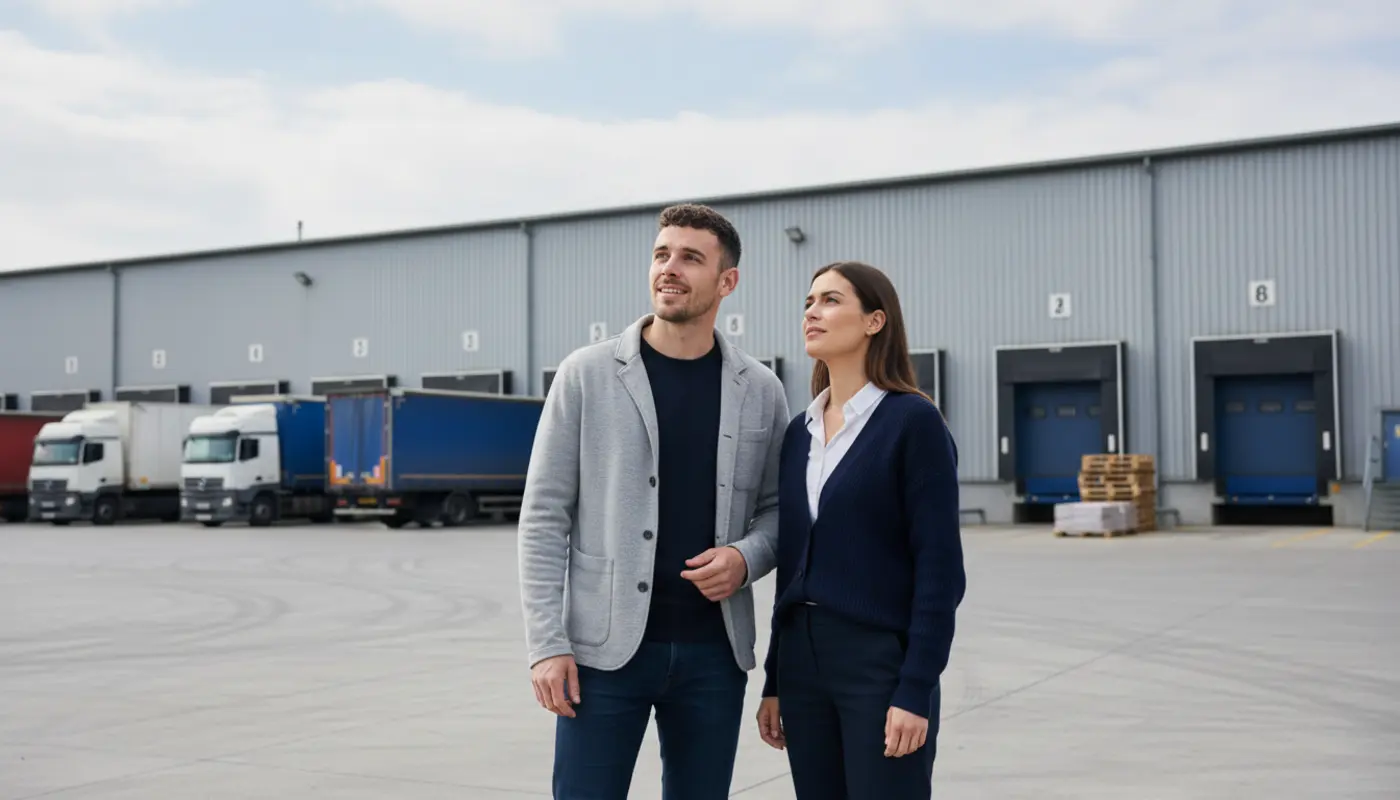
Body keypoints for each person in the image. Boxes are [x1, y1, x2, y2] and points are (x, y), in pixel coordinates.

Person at [517, 203, 790, 799]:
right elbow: (543, 516)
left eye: (691, 257)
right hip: (600, 654)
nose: (670, 268)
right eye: (661, 254)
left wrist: (746, 557)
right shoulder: (586, 373)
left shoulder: (761, 390)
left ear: (727, 281)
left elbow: (778, 512)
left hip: (715, 655)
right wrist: (547, 644)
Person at [754, 261, 966, 799]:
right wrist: (776, 679)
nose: (811, 313)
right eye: (808, 302)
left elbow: (940, 571)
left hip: (876, 661)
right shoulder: (799, 434)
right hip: (803, 662)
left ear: (875, 321)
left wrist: (915, 688)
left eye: (829, 300)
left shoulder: (912, 422)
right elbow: (792, 567)